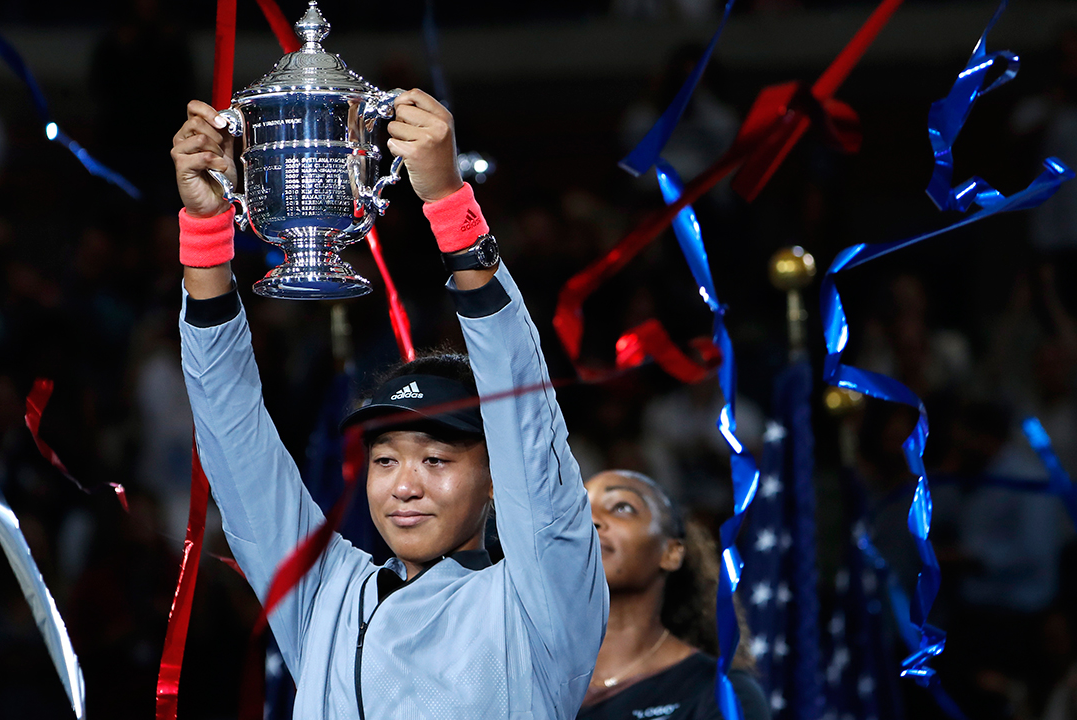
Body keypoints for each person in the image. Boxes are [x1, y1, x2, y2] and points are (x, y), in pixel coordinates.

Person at [170, 89, 607, 719]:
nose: (404, 485)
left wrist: (451, 206)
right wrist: (208, 233)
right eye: (385, 460)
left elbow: (526, 423)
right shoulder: (325, 597)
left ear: (494, 480)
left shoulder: (541, 599)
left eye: (435, 459)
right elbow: (232, 433)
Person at [580, 469, 768, 720]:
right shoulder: (525, 678)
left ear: (671, 553)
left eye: (621, 507)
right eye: (577, 509)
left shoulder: (723, 693)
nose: (590, 520)